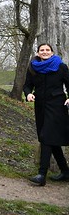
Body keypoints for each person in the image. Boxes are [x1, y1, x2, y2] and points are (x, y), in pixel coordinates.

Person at [23, 43, 69, 186]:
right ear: (37, 53)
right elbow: (27, 85)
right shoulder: (33, 67)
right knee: (50, 138)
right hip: (40, 106)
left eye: (47, 50)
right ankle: (66, 171)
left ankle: (42, 174)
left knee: (46, 137)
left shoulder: (60, 66)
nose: (44, 52)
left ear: (52, 52)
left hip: (57, 105)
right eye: (42, 50)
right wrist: (28, 94)